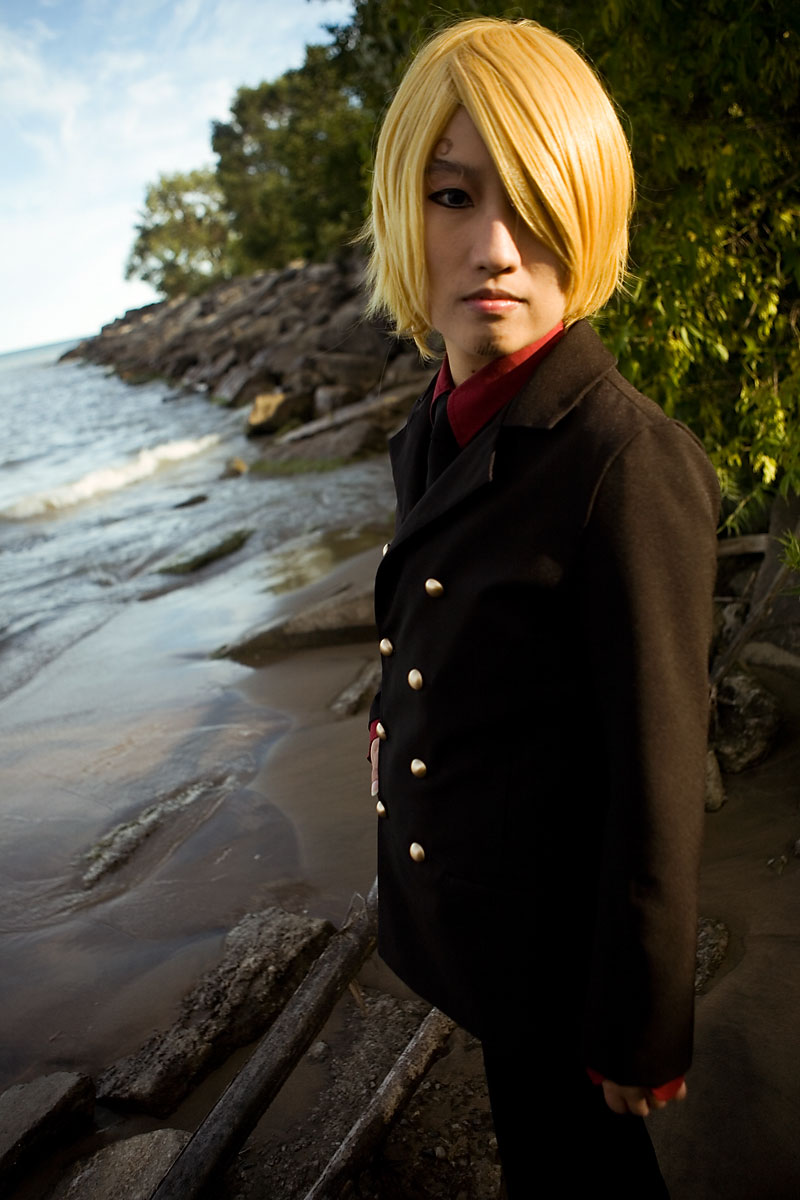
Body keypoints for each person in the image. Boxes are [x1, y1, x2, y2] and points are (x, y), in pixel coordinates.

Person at [364, 17, 719, 1196]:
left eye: (531, 203)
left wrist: (641, 1018)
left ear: (588, 211)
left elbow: (658, 771)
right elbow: (434, 614)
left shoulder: (625, 460)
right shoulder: (437, 421)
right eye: (452, 195)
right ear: (402, 212)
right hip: (482, 926)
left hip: (563, 955)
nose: (493, 249)